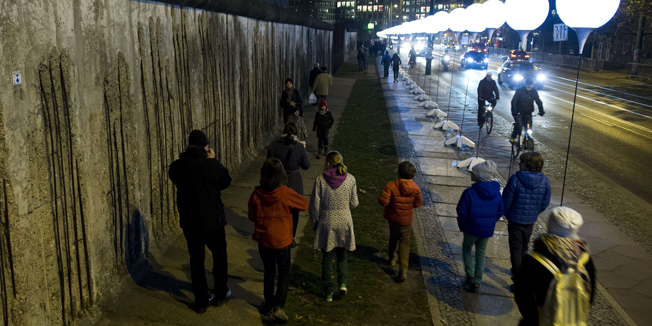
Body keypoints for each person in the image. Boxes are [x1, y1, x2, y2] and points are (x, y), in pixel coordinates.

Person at [168, 130, 232, 314]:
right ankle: (220, 292)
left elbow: (174, 174)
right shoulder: (211, 166)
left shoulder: (177, 167)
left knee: (196, 260)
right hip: (212, 221)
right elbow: (225, 180)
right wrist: (214, 161)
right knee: (219, 257)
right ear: (206, 146)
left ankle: (201, 300)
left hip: (190, 221)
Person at [248, 158, 309, 322]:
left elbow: (251, 216)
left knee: (269, 272)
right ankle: (279, 306)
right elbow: (304, 204)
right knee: (283, 273)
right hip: (282, 241)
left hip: (264, 240)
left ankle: (268, 304)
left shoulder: (256, 194)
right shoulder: (285, 193)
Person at [514, 207, 595, 326]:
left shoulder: (533, 260)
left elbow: (522, 297)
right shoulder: (586, 261)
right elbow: (590, 297)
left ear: (550, 226)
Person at [309, 151, 359, 302]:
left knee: (327, 256)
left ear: (328, 163)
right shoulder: (350, 179)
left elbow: (314, 206)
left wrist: (314, 223)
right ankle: (342, 283)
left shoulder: (320, 180)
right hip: (345, 220)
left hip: (327, 221)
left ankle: (328, 291)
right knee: (342, 252)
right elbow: (354, 203)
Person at [502, 152, 551, 286]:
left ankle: (519, 280)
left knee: (516, 248)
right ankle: (524, 272)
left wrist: (505, 212)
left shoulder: (515, 179)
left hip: (515, 220)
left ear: (528, 165)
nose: (519, 164)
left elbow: (506, 199)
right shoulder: (544, 181)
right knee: (524, 247)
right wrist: (534, 212)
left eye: (521, 162)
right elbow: (545, 202)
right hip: (530, 220)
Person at [456, 160, 505, 293]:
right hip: (486, 230)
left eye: (474, 172)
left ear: (479, 176)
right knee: (481, 254)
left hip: (471, 228)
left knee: (466, 248)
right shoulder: (496, 193)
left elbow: (461, 211)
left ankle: (470, 275)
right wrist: (491, 222)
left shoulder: (469, 192)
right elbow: (501, 210)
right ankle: (477, 282)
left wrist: (463, 226)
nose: (471, 173)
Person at [378, 161, 423, 282]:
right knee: (404, 243)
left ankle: (392, 258)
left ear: (399, 172)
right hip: (406, 219)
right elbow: (418, 203)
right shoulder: (415, 188)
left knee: (393, 237)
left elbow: (383, 201)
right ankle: (403, 269)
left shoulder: (391, 185)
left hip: (393, 218)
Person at [267, 122, 311, 246]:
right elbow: (306, 165)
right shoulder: (298, 147)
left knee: (277, 210)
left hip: (277, 181)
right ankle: (291, 237)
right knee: (294, 212)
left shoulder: (274, 145)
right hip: (294, 182)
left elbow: (268, 163)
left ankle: (276, 235)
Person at [510, 77, 544, 142]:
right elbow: (514, 101)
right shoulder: (519, 91)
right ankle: (513, 137)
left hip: (528, 113)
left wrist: (541, 111)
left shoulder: (534, 92)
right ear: (525, 84)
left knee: (529, 129)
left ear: (532, 84)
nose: (529, 85)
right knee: (519, 126)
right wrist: (514, 111)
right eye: (528, 84)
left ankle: (526, 142)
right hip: (518, 112)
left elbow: (538, 101)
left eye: (530, 84)